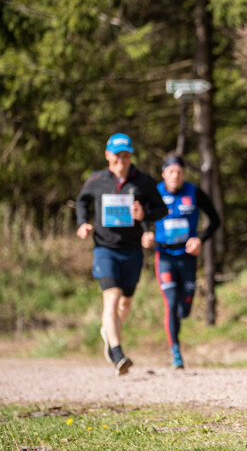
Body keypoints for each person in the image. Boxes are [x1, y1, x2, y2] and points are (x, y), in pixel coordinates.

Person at [76, 133, 168, 376]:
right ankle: (117, 353)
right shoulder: (96, 180)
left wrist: (145, 215)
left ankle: (108, 331)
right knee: (112, 298)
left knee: (125, 305)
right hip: (105, 249)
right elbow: (81, 202)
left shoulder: (143, 182)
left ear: (131, 156)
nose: (122, 160)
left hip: (132, 251)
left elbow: (162, 209)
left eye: (126, 155)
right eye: (117, 155)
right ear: (108, 155)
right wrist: (82, 223)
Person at [141, 155, 220, 369]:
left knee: (184, 309)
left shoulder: (194, 192)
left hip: (187, 257)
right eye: (171, 172)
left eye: (179, 172)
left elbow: (215, 219)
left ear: (184, 174)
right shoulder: (154, 192)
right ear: (163, 174)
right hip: (164, 256)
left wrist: (200, 239)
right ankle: (176, 353)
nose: (175, 176)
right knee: (171, 302)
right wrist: (146, 233)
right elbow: (141, 216)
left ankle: (180, 319)